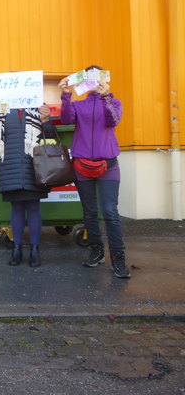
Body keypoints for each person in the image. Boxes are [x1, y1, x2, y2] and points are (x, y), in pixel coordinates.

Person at [59, 65, 130, 278]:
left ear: (103, 79)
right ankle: (96, 252)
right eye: (88, 78)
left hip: (108, 164)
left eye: (96, 78)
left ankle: (118, 259)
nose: (92, 82)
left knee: (110, 211)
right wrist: (65, 95)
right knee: (89, 212)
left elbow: (113, 120)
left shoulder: (114, 102)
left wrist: (106, 97)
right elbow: (66, 119)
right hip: (82, 165)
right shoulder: (79, 106)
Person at [0, 103, 55, 267]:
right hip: (10, 168)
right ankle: (17, 249)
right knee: (16, 207)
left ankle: (35, 250)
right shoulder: (2, 109)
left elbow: (51, 137)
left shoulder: (38, 107)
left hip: (34, 168)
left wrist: (45, 119)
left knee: (34, 207)